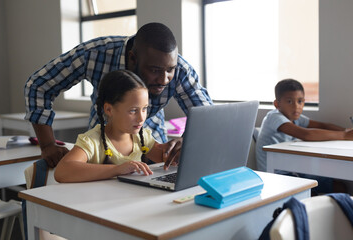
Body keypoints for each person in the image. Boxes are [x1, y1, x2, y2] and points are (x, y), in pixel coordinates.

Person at [24, 22, 212, 168]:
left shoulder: (179, 70)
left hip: (151, 153)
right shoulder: (95, 54)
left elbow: (207, 115)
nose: (164, 79)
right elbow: (39, 85)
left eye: (170, 70)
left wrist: (185, 142)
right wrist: (47, 144)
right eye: (155, 70)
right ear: (132, 58)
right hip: (101, 152)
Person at [55, 70, 176, 183]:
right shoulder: (92, 141)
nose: (141, 118)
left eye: (144, 109)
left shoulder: (141, 137)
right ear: (109, 109)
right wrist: (117, 169)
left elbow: (169, 160)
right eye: (133, 111)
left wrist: (178, 150)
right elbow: (62, 171)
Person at [256, 79, 353, 193]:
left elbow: (322, 125)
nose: (296, 106)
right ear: (277, 104)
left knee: (339, 186)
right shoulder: (274, 117)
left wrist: (346, 130)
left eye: (300, 101)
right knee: (331, 188)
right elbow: (306, 134)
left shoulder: (295, 118)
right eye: (289, 101)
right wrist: (344, 135)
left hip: (293, 170)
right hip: (276, 174)